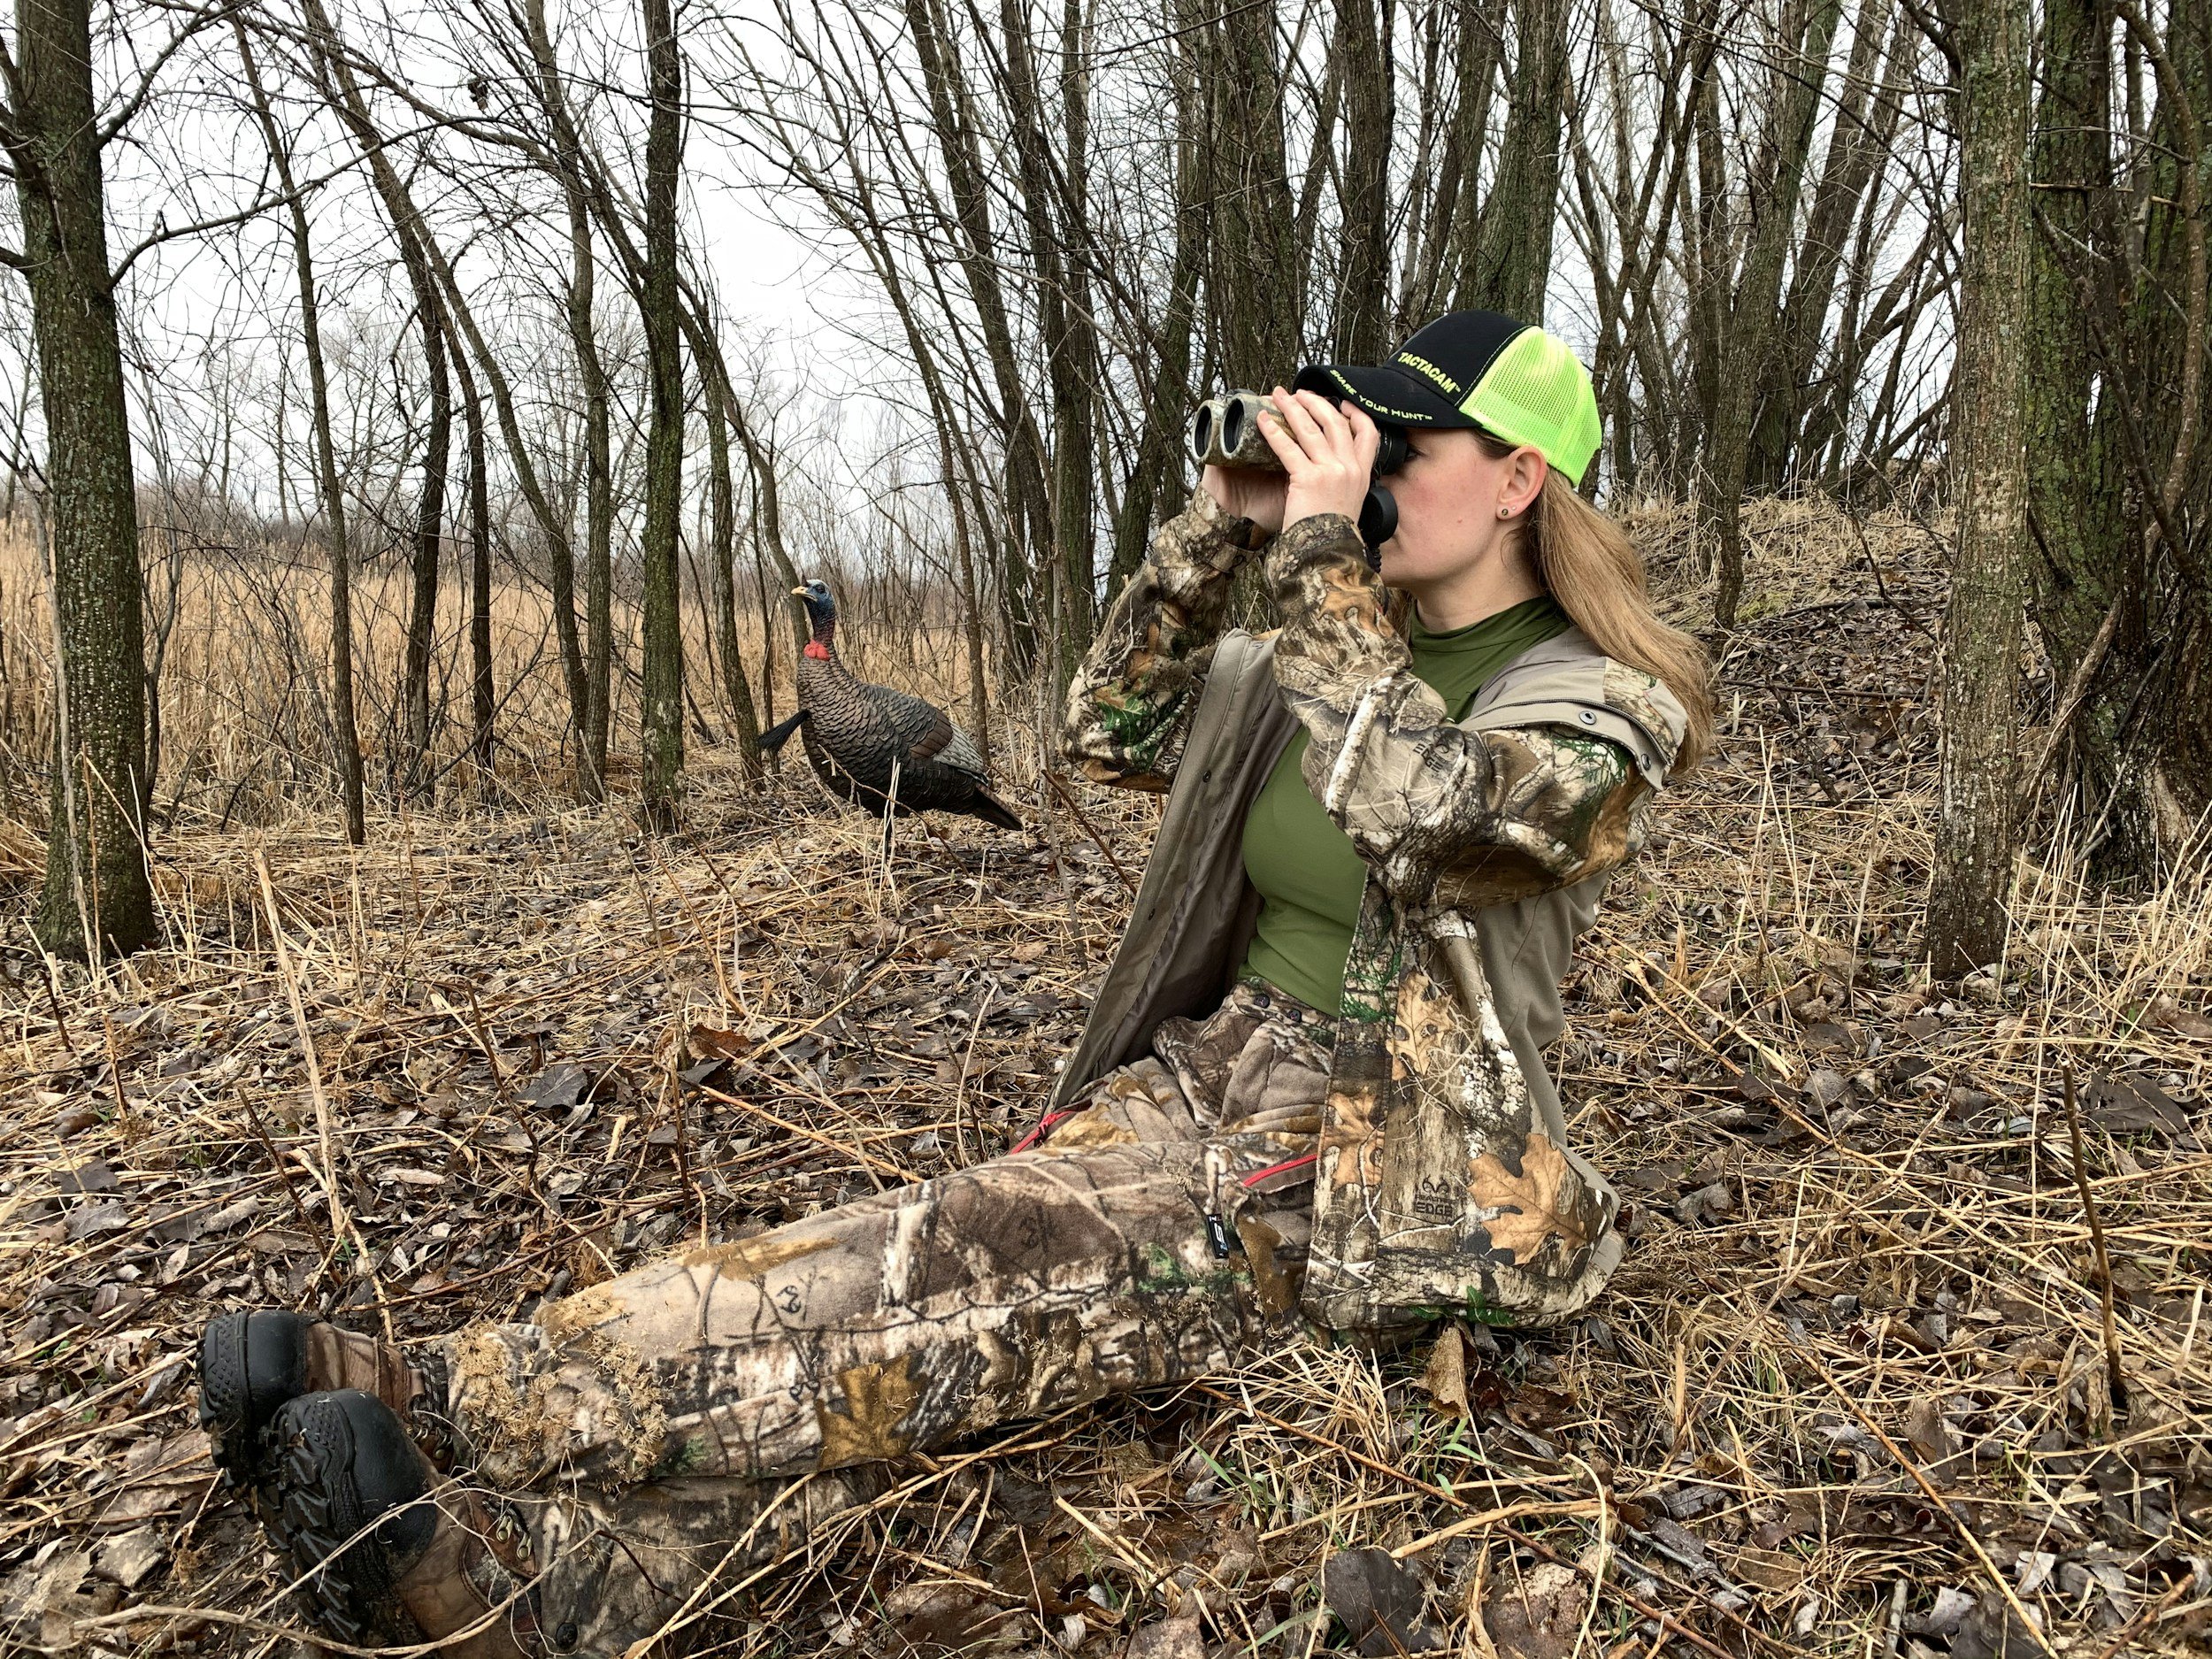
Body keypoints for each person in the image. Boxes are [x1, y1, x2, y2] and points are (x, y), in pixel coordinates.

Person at [193, 311, 1711, 1656]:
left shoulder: (1597, 701)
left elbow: (1423, 806)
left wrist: (1323, 556)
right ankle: (529, 1593)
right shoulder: (1297, 650)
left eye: (1402, 445)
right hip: (1209, 1078)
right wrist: (1223, 532)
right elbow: (1105, 728)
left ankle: (455, 1401)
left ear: (1518, 479)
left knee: (945, 1278)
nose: (1367, 469)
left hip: (1379, 1164)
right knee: (940, 1328)